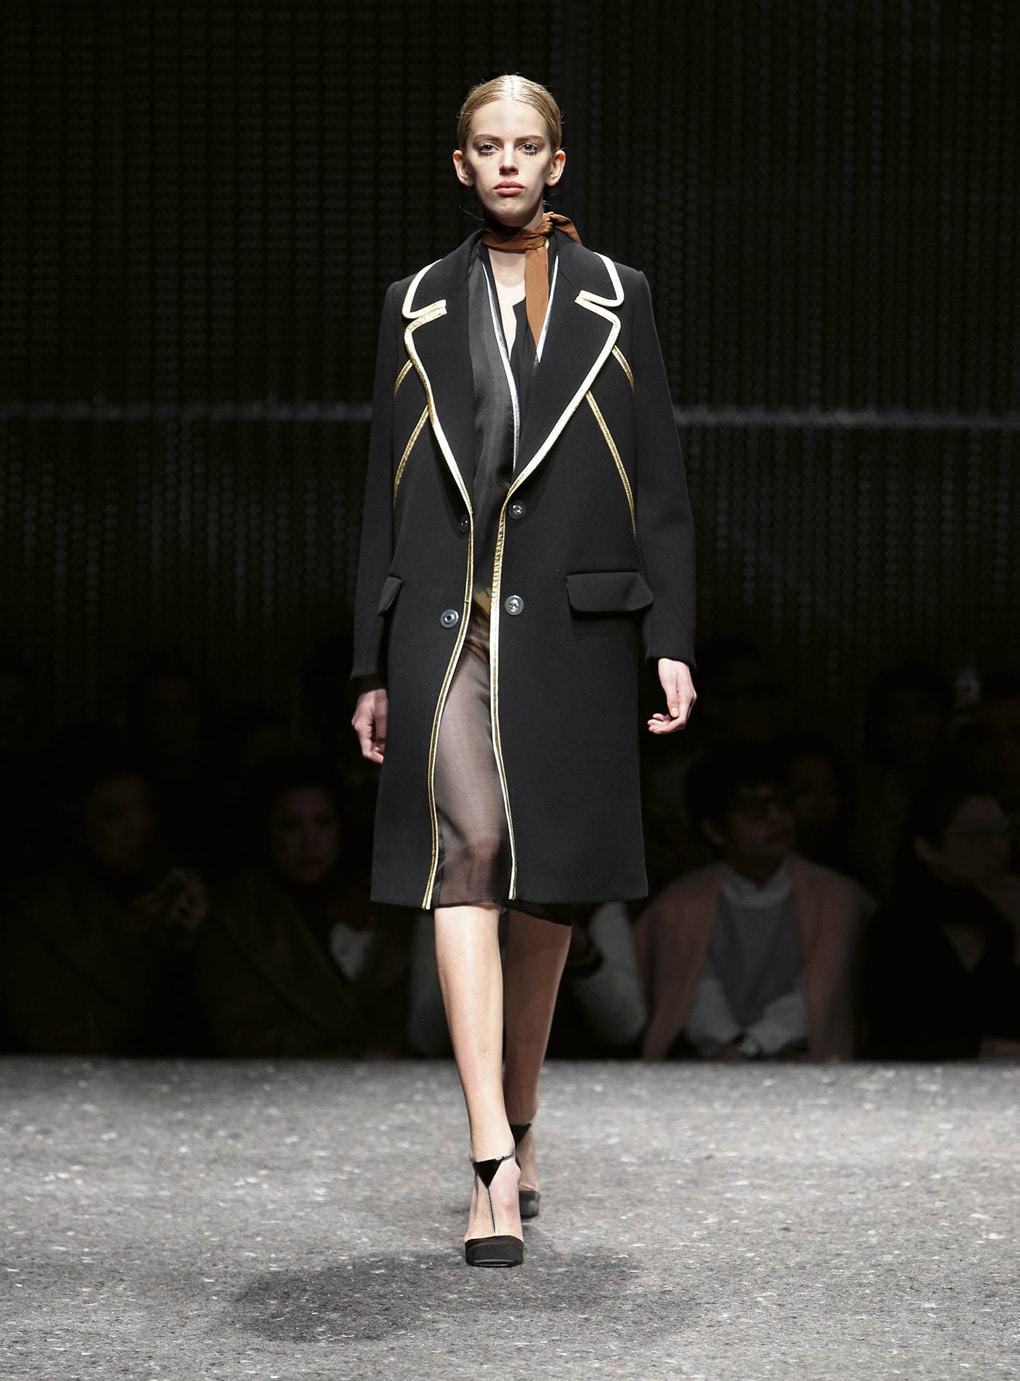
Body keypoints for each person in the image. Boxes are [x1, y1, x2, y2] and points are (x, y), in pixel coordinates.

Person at [351, 75, 695, 1267]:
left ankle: (525, 1112)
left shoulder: (616, 295)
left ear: (557, 162)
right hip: (443, 626)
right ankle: (490, 1160)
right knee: (474, 850)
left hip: (570, 630)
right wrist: (368, 660)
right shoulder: (412, 306)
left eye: (527, 145)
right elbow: (383, 491)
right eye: (489, 146)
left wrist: (671, 638)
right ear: (461, 165)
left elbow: (659, 479)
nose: (508, 163)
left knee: (546, 889)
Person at [635, 744, 868, 1062]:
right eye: (755, 812)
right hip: (712, 1066)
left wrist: (750, 1046)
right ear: (714, 831)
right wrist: (732, 1050)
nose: (776, 819)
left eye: (782, 804)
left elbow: (819, 994)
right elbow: (693, 995)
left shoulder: (837, 897)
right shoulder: (678, 906)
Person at [195, 753, 412, 1057]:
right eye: (290, 826)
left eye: (323, 823)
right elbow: (243, 1034)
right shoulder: (233, 920)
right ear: (266, 830)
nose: (310, 843)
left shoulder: (385, 906)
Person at [863, 772, 1020, 1059]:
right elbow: (899, 1033)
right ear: (927, 848)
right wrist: (986, 1049)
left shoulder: (1002, 917)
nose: (998, 849)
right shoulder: (896, 928)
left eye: (1003, 833)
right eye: (976, 837)